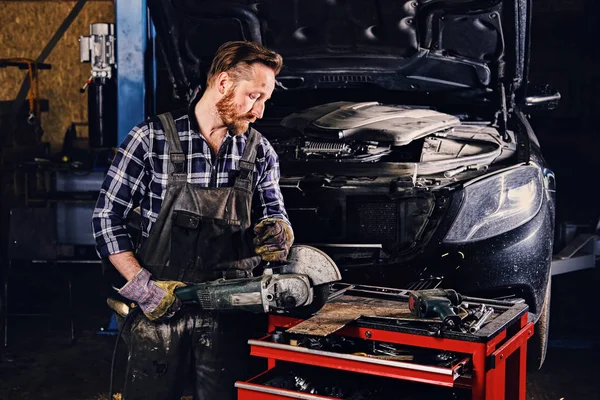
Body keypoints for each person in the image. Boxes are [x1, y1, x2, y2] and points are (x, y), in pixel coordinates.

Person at [91, 41, 294, 399]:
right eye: (254, 96)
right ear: (224, 83)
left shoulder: (259, 151)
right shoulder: (150, 140)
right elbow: (107, 217)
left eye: (265, 100)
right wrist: (141, 287)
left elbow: (275, 213)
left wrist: (278, 232)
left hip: (230, 314)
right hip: (162, 310)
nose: (259, 111)